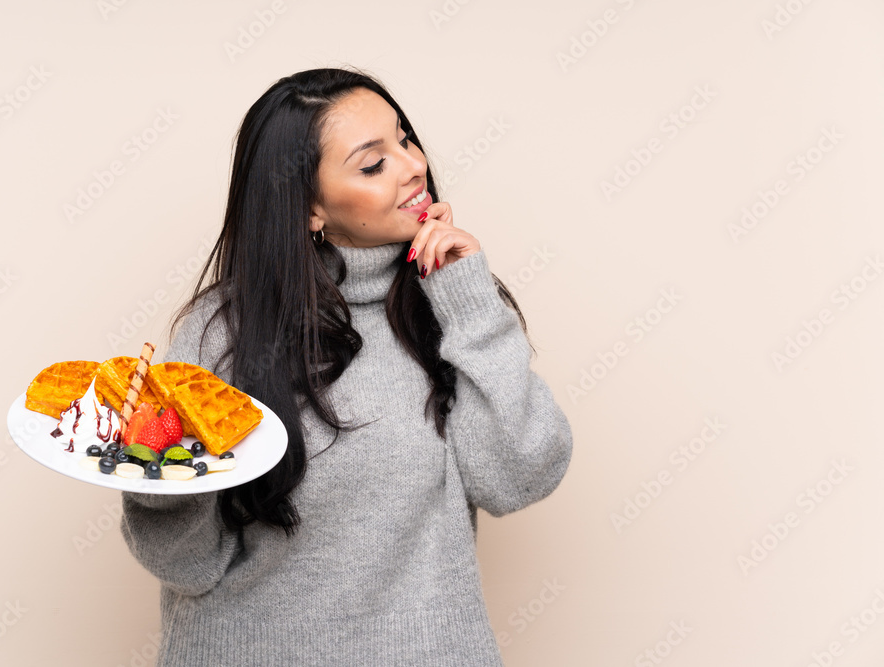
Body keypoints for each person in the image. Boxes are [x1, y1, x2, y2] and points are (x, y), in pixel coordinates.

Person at [120, 66, 573, 666]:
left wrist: (468, 300)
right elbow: (188, 564)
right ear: (310, 208)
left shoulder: (452, 307)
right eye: (372, 163)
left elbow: (517, 478)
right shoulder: (219, 336)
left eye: (405, 138)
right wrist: (153, 479)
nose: (413, 165)